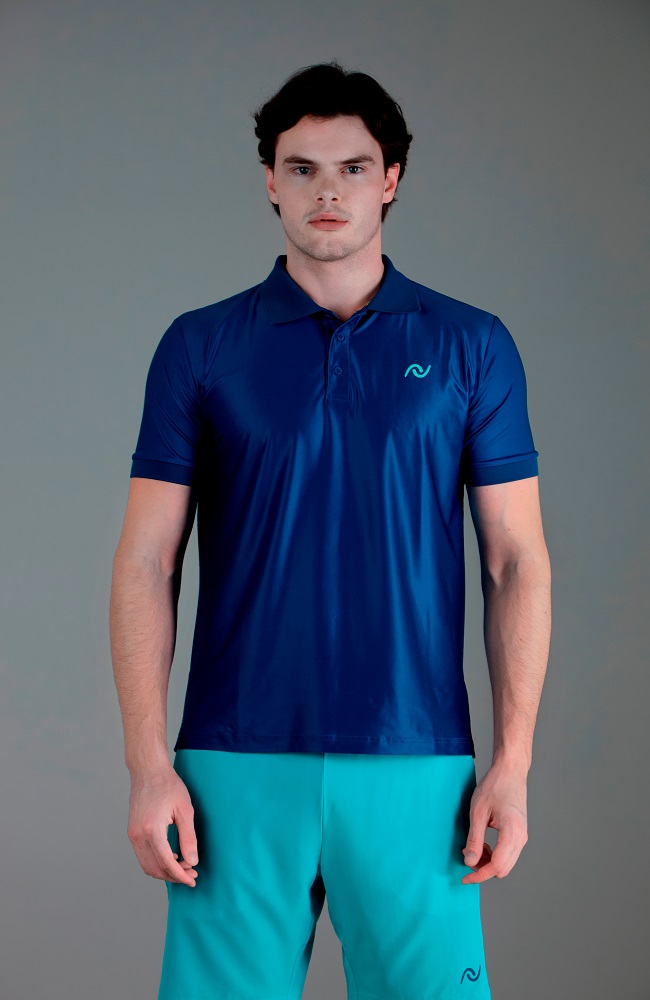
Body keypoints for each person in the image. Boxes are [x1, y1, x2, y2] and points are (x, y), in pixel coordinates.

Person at [110, 60, 551, 1000]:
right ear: (269, 181)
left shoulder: (471, 345)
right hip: (232, 763)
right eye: (302, 168)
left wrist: (512, 768)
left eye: (353, 168)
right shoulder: (200, 346)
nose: (327, 192)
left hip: (417, 759)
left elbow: (516, 562)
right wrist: (148, 767)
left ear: (391, 178)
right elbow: (146, 561)